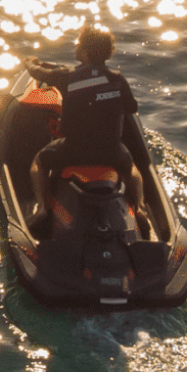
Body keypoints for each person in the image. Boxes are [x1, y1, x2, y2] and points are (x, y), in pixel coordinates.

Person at [23, 26, 145, 234]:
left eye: (79, 45)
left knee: (38, 163)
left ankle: (42, 208)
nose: (76, 48)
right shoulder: (117, 78)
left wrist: (29, 62)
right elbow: (131, 108)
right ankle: (140, 208)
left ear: (86, 53)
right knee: (131, 168)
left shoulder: (67, 76)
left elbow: (38, 73)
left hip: (73, 149)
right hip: (111, 151)